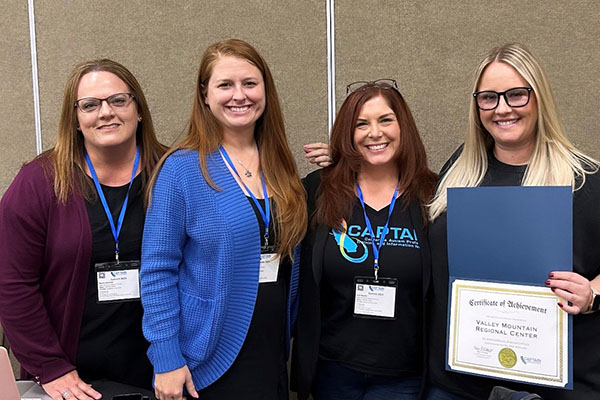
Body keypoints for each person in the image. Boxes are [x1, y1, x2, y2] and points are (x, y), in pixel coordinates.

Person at [425, 43, 600, 400]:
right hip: (458, 385)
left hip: (556, 387)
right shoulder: (460, 170)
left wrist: (593, 294)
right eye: (488, 98)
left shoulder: (584, 178)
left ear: (539, 99)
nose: (502, 108)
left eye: (517, 95)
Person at [140, 39, 307, 400]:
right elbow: (157, 270)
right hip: (208, 356)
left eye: (250, 83)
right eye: (225, 85)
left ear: (266, 90)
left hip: (273, 351)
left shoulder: (279, 164)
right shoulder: (181, 169)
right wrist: (166, 357)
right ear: (204, 95)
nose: (239, 95)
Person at [0, 59, 167, 400]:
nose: (106, 112)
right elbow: (12, 283)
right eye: (90, 105)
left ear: (138, 109)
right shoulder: (39, 182)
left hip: (163, 370)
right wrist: (51, 366)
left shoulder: (172, 174)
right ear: (75, 120)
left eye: (119, 100)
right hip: (72, 380)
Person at [292, 79, 437, 400]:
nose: (375, 132)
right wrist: (343, 163)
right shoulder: (319, 190)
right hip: (332, 371)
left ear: (404, 127)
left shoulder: (432, 196)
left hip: (405, 376)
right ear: (348, 133)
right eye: (361, 124)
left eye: (385, 120)